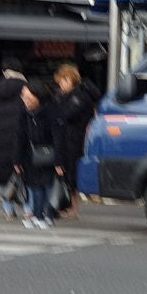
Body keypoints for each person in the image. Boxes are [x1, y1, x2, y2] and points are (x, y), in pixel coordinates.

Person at [53, 64, 100, 217]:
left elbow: (65, 114)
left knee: (71, 174)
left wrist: (59, 102)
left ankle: (73, 209)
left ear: (69, 79)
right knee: (67, 173)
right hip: (69, 138)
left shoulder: (79, 96)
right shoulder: (72, 95)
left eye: (62, 82)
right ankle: (67, 207)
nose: (60, 85)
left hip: (75, 139)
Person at [16, 82, 64, 229]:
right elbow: (19, 137)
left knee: (47, 186)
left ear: (39, 97)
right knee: (35, 186)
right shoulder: (24, 113)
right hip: (30, 154)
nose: (25, 100)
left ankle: (46, 215)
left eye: (29, 97)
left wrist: (59, 161)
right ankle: (38, 215)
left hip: (49, 153)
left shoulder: (51, 111)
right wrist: (16, 159)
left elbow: (58, 137)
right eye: (24, 97)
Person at [0, 57, 27, 214]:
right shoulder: (26, 89)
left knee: (2, 174)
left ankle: (8, 210)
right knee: (22, 172)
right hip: (19, 136)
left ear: (4, 72)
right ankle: (27, 207)